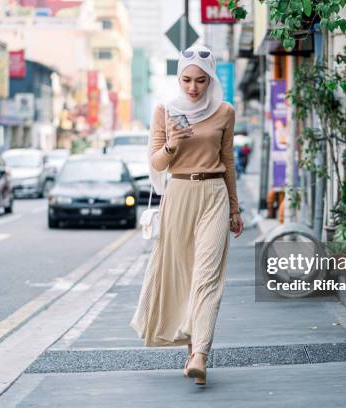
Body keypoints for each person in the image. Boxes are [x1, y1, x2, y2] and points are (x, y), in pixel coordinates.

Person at [130, 44, 244, 386]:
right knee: (183, 277)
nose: (193, 87)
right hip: (178, 194)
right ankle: (191, 347)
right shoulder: (165, 110)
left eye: (201, 80)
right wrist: (172, 145)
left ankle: (200, 355)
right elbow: (156, 164)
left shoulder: (225, 112)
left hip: (214, 195)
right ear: (178, 78)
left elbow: (228, 163)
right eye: (186, 80)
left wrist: (235, 208)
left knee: (207, 278)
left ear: (210, 80)